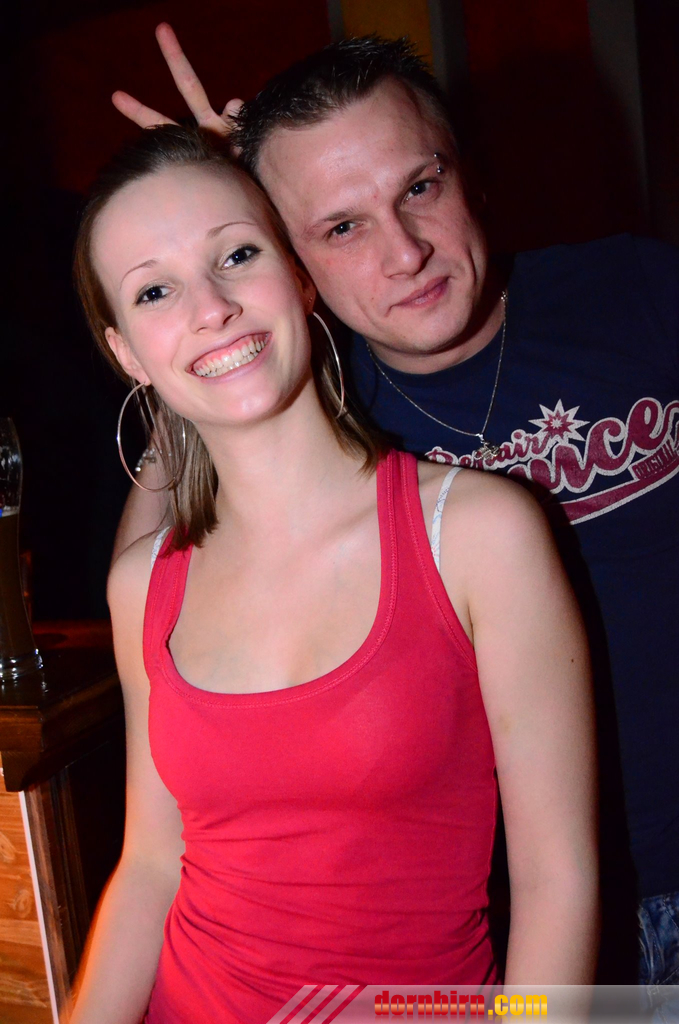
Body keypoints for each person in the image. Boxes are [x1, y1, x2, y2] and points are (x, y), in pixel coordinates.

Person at [112, 26, 679, 992]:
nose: (405, 251)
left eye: (419, 188)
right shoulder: (320, 415)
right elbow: (162, 597)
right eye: (339, 227)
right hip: (508, 939)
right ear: (292, 263)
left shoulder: (638, 292)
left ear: (469, 174)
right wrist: (210, 263)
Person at [67, 123, 596, 1023]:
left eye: (236, 254)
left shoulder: (476, 534)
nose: (210, 308)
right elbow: (152, 864)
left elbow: (557, 880)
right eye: (155, 290)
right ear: (126, 354)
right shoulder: (141, 584)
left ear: (298, 273)